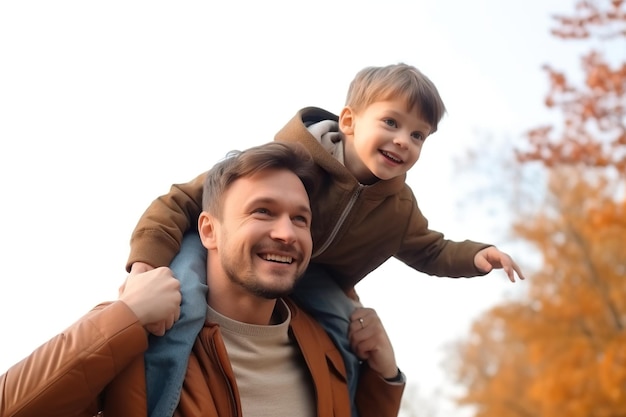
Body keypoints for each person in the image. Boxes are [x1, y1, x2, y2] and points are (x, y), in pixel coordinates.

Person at [129, 63, 526, 417]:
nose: (404, 140)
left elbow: (431, 249)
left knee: (348, 335)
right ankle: (157, 403)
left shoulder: (399, 209)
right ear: (350, 121)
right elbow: (180, 200)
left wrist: (477, 256)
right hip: (225, 247)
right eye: (391, 123)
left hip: (314, 276)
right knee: (179, 303)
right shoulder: (284, 161)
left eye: (418, 135)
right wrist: (146, 265)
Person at [0, 142, 405, 417]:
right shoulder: (138, 334)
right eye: (263, 211)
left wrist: (385, 378)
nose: (286, 232)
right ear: (209, 231)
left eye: (300, 218)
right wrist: (125, 318)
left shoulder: (327, 347)